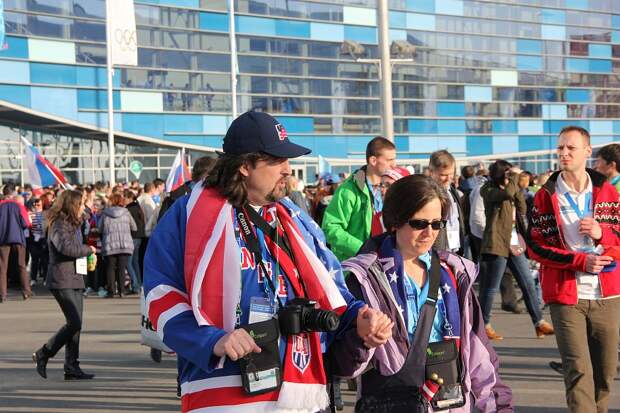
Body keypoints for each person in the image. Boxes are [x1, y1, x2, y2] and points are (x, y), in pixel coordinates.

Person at [144, 111, 392, 412]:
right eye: (278, 160)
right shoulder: (189, 216)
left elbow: (333, 292)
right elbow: (160, 295)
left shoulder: (296, 222)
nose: (288, 170)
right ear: (245, 165)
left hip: (301, 391)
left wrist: (360, 322)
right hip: (226, 392)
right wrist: (211, 340)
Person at [329, 175, 514, 412]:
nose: (429, 232)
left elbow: (479, 354)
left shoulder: (455, 273)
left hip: (450, 403)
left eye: (437, 224)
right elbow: (343, 366)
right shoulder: (365, 278)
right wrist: (362, 340)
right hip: (391, 403)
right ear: (395, 220)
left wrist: (500, 406)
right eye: (419, 223)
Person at [528, 126, 620, 413]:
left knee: (604, 374)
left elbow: (618, 238)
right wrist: (580, 261)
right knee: (578, 369)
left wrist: (601, 234)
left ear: (587, 152)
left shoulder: (607, 191)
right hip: (566, 295)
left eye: (571, 148)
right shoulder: (545, 194)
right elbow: (536, 247)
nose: (564, 154)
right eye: (560, 149)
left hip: (607, 294)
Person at [477, 160, 554, 340]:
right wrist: (513, 180)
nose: (512, 177)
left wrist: (517, 186)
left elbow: (522, 207)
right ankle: (484, 324)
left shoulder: (511, 189)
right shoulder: (488, 190)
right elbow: (507, 194)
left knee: (528, 283)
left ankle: (539, 322)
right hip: (496, 243)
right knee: (490, 288)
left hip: (513, 242)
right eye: (507, 174)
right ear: (500, 174)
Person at [32, 190, 96, 380]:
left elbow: (85, 218)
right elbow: (65, 248)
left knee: (76, 325)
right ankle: (44, 353)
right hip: (61, 278)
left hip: (75, 276)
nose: (82, 207)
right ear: (70, 205)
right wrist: (87, 249)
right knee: (74, 321)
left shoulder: (72, 222)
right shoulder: (59, 224)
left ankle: (71, 366)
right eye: (80, 203)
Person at [322, 137, 396, 261]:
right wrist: (364, 249)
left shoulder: (393, 187)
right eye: (389, 160)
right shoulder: (348, 190)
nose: (394, 165)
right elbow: (330, 228)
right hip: (356, 267)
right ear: (373, 160)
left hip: (385, 263)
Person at [99, 192, 136, 298]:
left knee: (110, 267)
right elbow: (134, 227)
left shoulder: (105, 214)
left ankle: (111, 291)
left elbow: (100, 228)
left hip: (110, 244)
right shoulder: (126, 213)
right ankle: (122, 291)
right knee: (121, 267)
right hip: (124, 244)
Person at [428, 150, 465, 256]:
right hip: (437, 248)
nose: (449, 178)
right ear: (431, 172)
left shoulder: (452, 191)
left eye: (451, 174)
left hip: (454, 246)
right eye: (443, 175)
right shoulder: (428, 193)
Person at [0, 185, 32, 302]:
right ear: (13, 193)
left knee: (3, 267)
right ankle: (26, 291)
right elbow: (26, 223)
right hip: (18, 238)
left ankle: (2, 294)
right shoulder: (18, 206)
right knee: (21, 265)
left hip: (2, 239)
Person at [124, 190, 145, 294]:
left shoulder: (128, 209)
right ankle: (140, 284)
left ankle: (135, 285)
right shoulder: (138, 207)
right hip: (140, 237)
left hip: (132, 237)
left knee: (128, 262)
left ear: (129, 198)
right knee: (135, 262)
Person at [27, 197, 48, 285]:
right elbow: (28, 226)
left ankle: (45, 279)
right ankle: (33, 279)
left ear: (42, 205)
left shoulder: (46, 214)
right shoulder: (30, 214)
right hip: (33, 240)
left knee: (44, 260)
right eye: (34, 204)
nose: (36, 206)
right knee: (34, 260)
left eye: (38, 204)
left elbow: (47, 227)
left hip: (43, 240)